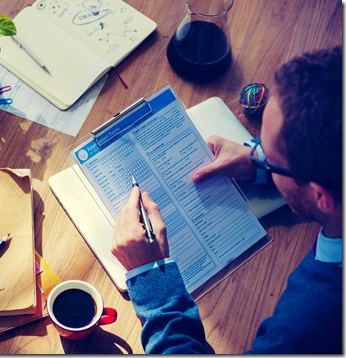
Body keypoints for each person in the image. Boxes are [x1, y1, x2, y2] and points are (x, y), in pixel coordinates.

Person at [111, 46, 342, 354]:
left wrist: (152, 280)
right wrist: (257, 158)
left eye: (271, 159)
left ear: (320, 196)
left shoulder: (310, 323)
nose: (258, 152)